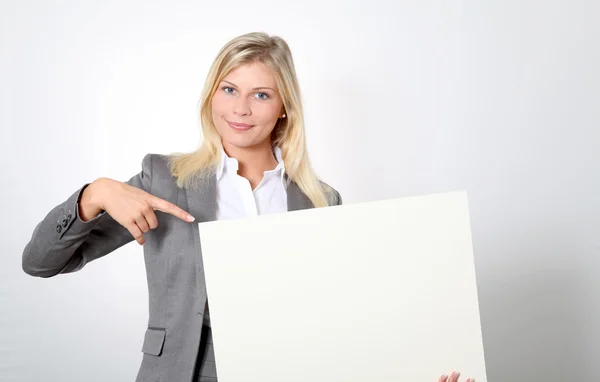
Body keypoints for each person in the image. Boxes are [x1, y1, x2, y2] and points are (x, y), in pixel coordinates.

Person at [21, 32, 473, 382]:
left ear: (283, 108)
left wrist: (419, 365)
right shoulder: (164, 180)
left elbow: (344, 323)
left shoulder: (322, 201)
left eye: (261, 94)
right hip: (186, 372)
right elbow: (39, 263)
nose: (240, 109)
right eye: (229, 89)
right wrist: (92, 195)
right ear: (211, 95)